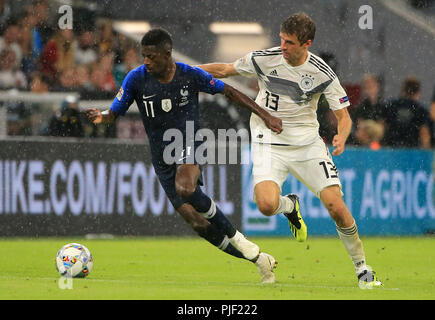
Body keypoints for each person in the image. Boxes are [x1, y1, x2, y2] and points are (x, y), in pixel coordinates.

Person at [198, 12, 383, 288]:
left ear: (306, 44)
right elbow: (224, 69)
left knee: (336, 207)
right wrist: (181, 72)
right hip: (267, 139)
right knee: (266, 205)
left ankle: (363, 269)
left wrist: (342, 138)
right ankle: (290, 206)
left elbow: (344, 117)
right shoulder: (264, 58)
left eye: (290, 43)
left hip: (307, 143)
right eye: (282, 40)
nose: (283, 47)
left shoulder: (322, 74)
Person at [86, 28, 283, 284]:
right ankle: (258, 259)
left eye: (151, 56)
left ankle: (241, 240)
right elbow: (115, 110)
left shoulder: (190, 75)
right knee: (197, 223)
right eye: (144, 56)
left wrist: (264, 114)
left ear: (167, 54)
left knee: (186, 188)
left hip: (188, 140)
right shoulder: (136, 79)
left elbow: (230, 92)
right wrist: (102, 116)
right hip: (161, 157)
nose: (146, 61)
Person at [382, 76, 431, 149]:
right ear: (417, 93)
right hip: (412, 150)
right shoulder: (421, 110)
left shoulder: (390, 105)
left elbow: (382, 126)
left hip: (392, 149)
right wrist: (427, 153)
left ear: (403, 91)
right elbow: (424, 134)